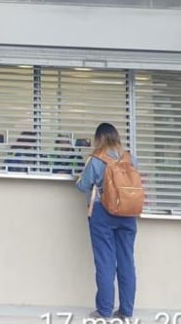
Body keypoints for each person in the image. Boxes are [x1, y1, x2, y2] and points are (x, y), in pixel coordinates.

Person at [75, 122, 138, 321]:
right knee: (126, 261)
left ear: (98, 138)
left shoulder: (96, 159)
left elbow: (83, 186)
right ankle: (126, 311)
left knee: (105, 261)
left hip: (103, 213)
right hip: (128, 214)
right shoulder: (130, 158)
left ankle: (104, 310)